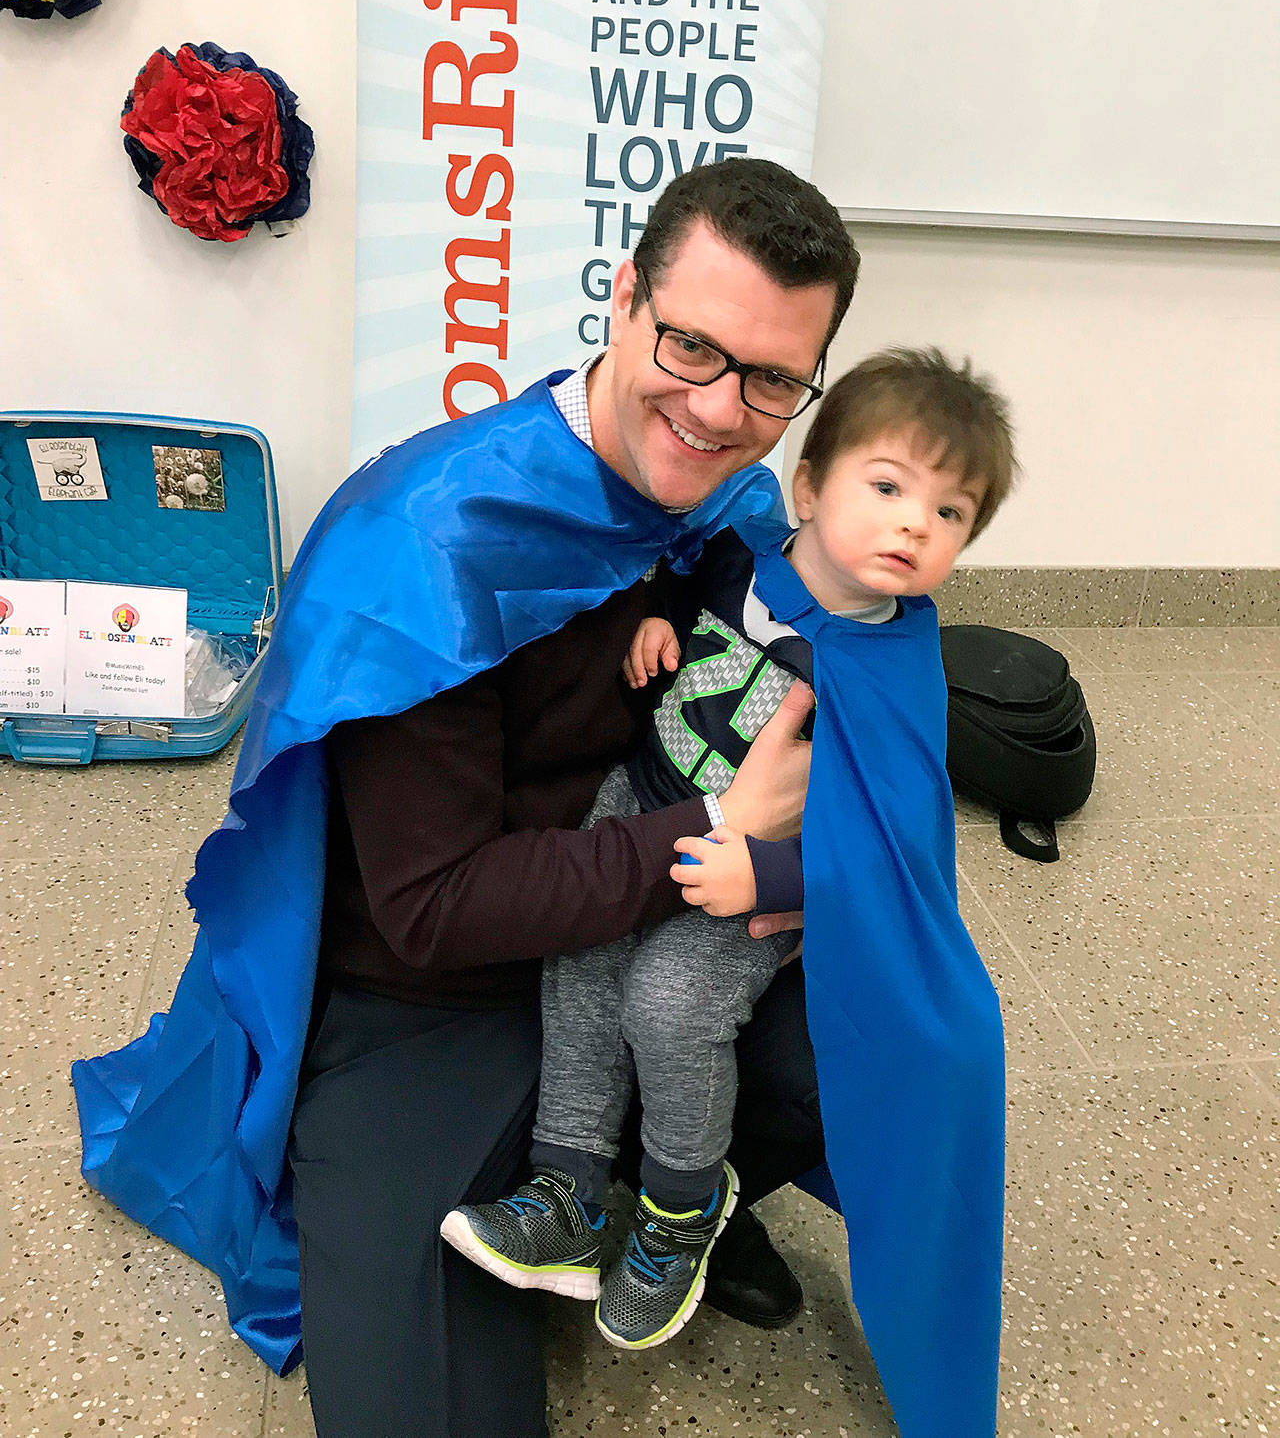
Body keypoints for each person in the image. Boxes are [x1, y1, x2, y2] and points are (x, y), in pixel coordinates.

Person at [74, 157, 860, 1438]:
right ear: (621, 299)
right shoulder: (434, 546)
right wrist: (718, 833)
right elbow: (429, 910)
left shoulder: (728, 503)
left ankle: (665, 1192)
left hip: (640, 928)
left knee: (872, 1052)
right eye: (691, 346)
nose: (719, 413)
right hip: (428, 997)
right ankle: (597, 1186)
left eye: (771, 378)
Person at [440, 348, 1017, 1354]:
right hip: (646, 800)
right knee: (578, 965)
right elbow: (679, 576)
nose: (912, 524)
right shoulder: (743, 551)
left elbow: (891, 853)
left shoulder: (891, 668)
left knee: (667, 1007)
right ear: (808, 486)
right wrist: (654, 619)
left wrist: (771, 875)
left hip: (748, 881)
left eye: (949, 512)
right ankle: (566, 1190)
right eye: (885, 487)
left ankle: (679, 1210)